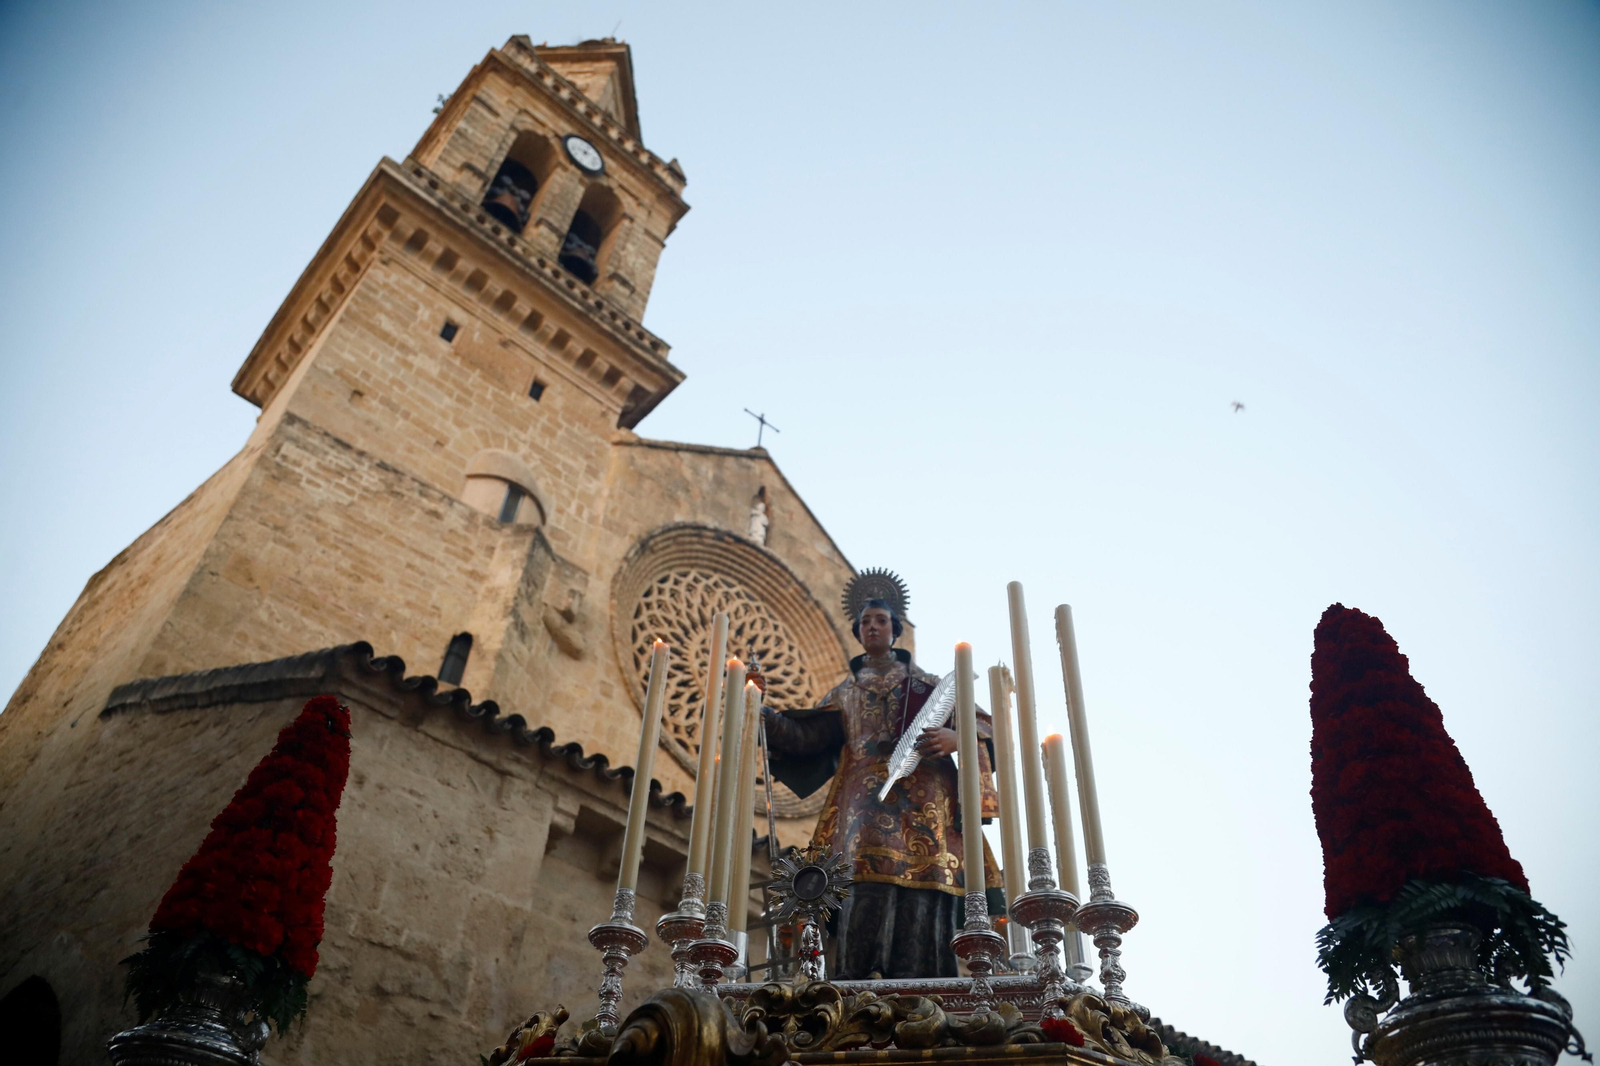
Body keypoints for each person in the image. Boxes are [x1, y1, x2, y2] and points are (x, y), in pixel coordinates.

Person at [757, 595, 1003, 980]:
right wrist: (766, 715)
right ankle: (859, 975)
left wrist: (958, 738)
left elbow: (989, 726)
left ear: (894, 631)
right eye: (865, 621)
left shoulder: (930, 687)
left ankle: (928, 979)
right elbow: (807, 736)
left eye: (881, 621)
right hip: (864, 803)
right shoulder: (845, 693)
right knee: (862, 876)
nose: (872, 626)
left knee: (928, 881)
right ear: (857, 633)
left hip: (928, 801)